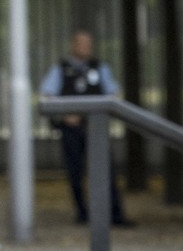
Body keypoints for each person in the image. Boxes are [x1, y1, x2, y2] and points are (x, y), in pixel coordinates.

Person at [41, 29, 131, 226]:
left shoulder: (100, 68)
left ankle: (115, 214)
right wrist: (65, 114)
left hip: (95, 129)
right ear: (73, 46)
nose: (86, 48)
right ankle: (82, 213)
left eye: (88, 44)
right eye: (81, 44)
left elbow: (113, 94)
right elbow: (47, 94)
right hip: (71, 130)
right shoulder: (60, 69)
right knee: (75, 172)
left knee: (106, 170)